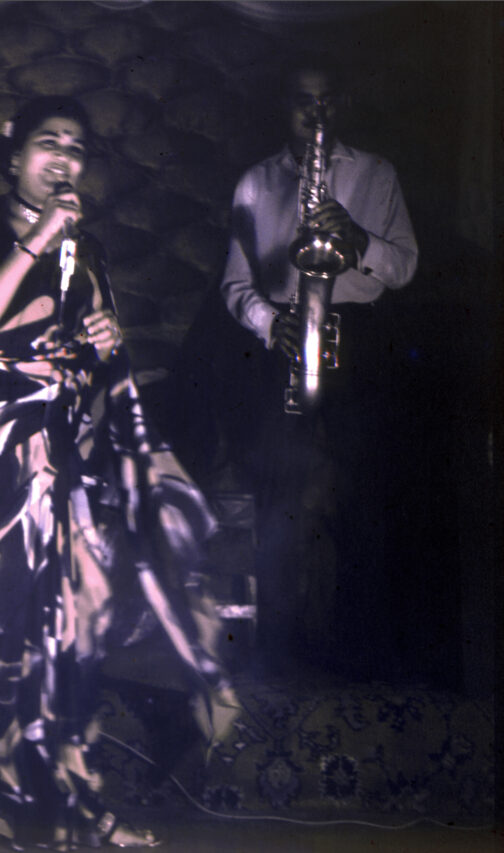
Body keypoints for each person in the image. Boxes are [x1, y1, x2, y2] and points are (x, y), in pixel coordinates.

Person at [0, 96, 238, 849]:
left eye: (78, 146)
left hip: (66, 459)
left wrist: (106, 339)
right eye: (48, 142)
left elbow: (96, 366)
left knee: (69, 632)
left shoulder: (89, 246)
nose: (65, 157)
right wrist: (40, 238)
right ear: (13, 157)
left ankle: (75, 799)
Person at [218, 58, 418, 677]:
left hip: (356, 344)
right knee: (280, 500)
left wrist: (357, 240)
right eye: (304, 101)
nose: (316, 113)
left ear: (342, 106)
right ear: (287, 108)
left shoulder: (377, 175)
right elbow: (235, 284)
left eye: (326, 100)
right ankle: (278, 656)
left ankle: (359, 657)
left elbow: (405, 267)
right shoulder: (255, 182)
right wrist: (266, 321)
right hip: (284, 343)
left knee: (359, 499)